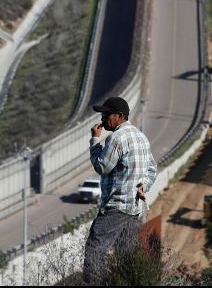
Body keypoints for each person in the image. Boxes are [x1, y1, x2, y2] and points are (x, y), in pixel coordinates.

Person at [83, 96, 157, 284]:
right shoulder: (141, 137)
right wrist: (143, 186)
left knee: (94, 248)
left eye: (107, 114)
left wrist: (94, 141)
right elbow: (152, 169)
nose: (103, 118)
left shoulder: (116, 138)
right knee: (126, 255)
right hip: (133, 209)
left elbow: (102, 166)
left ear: (120, 116)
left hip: (116, 207)